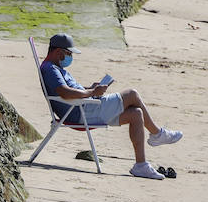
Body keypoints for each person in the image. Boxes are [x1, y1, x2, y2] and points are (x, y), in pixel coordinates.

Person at [39, 33, 183, 180]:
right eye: (68, 53)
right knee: (132, 94)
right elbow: (64, 92)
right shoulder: (51, 69)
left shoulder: (55, 68)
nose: (70, 57)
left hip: (84, 108)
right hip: (80, 112)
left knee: (136, 113)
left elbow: (67, 90)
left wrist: (89, 88)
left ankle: (141, 165)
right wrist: (92, 92)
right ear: (58, 52)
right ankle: (157, 134)